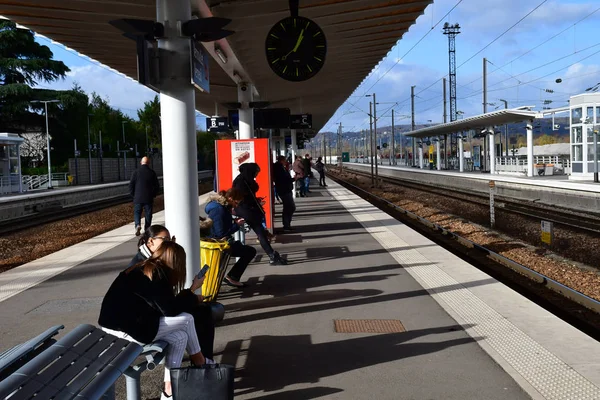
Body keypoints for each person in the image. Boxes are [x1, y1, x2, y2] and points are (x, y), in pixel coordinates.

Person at [99, 241, 211, 399]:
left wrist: (192, 289)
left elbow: (166, 306)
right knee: (187, 319)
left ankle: (168, 392)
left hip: (126, 325)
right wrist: (193, 296)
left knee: (181, 337)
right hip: (124, 331)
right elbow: (170, 310)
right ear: (176, 262)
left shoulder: (145, 268)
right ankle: (201, 362)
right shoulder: (155, 274)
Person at [130, 225, 215, 361]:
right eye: (166, 240)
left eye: (171, 240)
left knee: (200, 313)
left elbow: (166, 301)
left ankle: (202, 363)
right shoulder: (146, 266)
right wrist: (192, 291)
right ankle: (203, 362)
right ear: (150, 241)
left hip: (148, 316)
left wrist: (192, 292)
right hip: (139, 324)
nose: (170, 244)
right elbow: (169, 308)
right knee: (195, 316)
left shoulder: (150, 261)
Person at [232, 163, 286, 265]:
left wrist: (255, 200)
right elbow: (242, 199)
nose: (256, 174)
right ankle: (272, 256)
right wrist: (253, 203)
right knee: (260, 232)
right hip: (245, 210)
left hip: (247, 209)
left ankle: (272, 255)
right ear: (250, 171)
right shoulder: (241, 182)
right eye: (256, 172)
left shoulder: (244, 179)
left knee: (261, 231)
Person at [204, 188, 257, 287]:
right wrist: (236, 225)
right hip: (219, 245)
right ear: (231, 198)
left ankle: (232, 277)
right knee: (249, 251)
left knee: (248, 251)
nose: (237, 205)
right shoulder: (219, 210)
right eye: (237, 202)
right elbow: (221, 233)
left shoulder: (220, 208)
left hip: (219, 243)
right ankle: (232, 277)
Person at [129, 156, 160, 236]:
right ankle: (147, 229)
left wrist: (133, 195)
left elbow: (131, 185)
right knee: (148, 214)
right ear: (148, 163)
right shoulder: (152, 172)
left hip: (138, 197)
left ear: (141, 162)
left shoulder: (135, 172)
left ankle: (137, 225)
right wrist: (153, 195)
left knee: (137, 212)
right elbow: (157, 186)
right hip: (148, 198)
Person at [273, 155, 296, 231]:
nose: (286, 161)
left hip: (285, 189)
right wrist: (294, 179)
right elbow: (284, 180)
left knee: (289, 207)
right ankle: (286, 225)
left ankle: (287, 224)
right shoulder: (279, 168)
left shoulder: (280, 167)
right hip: (284, 190)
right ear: (282, 160)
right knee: (289, 207)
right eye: (285, 160)